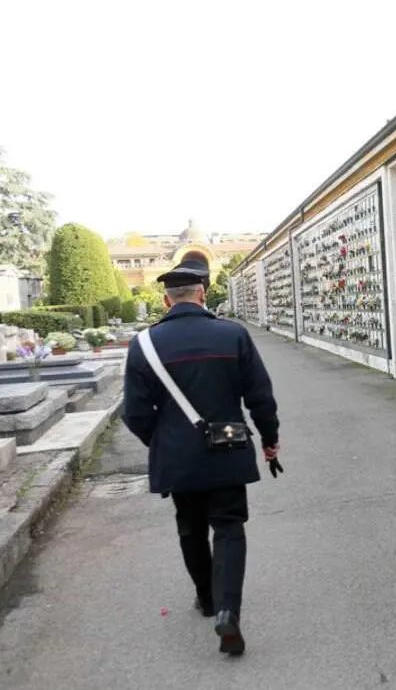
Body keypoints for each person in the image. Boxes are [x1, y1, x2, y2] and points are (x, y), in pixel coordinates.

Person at [122, 256, 281, 657]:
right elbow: (259, 396)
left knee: (190, 526)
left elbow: (136, 413)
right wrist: (270, 439)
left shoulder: (144, 344)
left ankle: (206, 599)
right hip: (227, 448)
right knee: (229, 526)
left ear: (165, 300)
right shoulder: (232, 335)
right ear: (202, 294)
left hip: (177, 456)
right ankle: (228, 608)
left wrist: (164, 442)